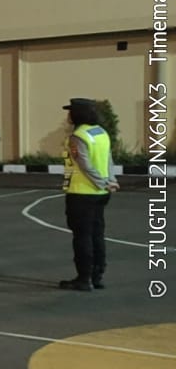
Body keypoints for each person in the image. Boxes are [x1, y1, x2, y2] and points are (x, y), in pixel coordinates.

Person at [59, 97, 119, 291]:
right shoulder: (101, 132)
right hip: (101, 193)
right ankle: (97, 275)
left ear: (77, 114)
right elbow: (108, 159)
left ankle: (84, 278)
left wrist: (102, 182)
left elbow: (84, 165)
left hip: (81, 193)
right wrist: (110, 181)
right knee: (97, 234)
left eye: (70, 112)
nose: (68, 115)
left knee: (82, 236)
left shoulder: (78, 136)